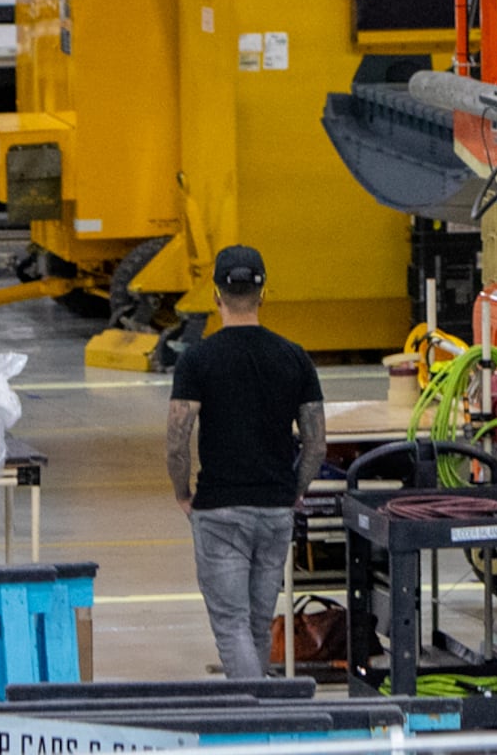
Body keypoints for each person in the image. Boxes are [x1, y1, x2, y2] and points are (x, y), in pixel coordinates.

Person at [167, 243, 326, 678]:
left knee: (231, 624)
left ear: (216, 295)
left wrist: (183, 494)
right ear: (263, 294)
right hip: (274, 510)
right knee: (257, 622)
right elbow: (316, 444)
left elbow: (177, 441)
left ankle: (255, 719)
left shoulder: (198, 359)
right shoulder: (294, 356)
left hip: (220, 510)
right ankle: (263, 715)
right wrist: (293, 492)